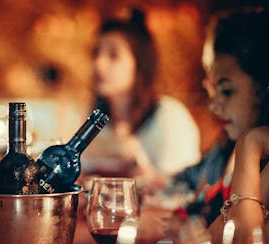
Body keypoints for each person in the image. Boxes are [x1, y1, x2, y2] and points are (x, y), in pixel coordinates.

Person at [165, 8, 269, 225]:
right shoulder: (229, 147)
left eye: (226, 91)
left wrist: (160, 241)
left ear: (264, 91)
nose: (213, 105)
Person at [83, 9, 201, 178]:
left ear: (139, 66)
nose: (99, 64)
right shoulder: (91, 120)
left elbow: (183, 188)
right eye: (96, 53)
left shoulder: (169, 117)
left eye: (113, 55)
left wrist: (135, 160)